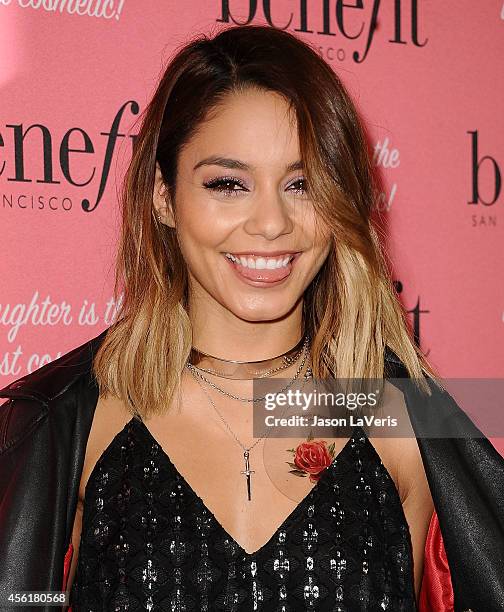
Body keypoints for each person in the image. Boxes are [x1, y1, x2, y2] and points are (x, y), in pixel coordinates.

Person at [1, 24, 503, 612]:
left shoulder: (403, 422)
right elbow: (23, 594)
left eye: (303, 184)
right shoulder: (73, 422)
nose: (272, 223)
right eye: (229, 184)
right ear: (163, 195)